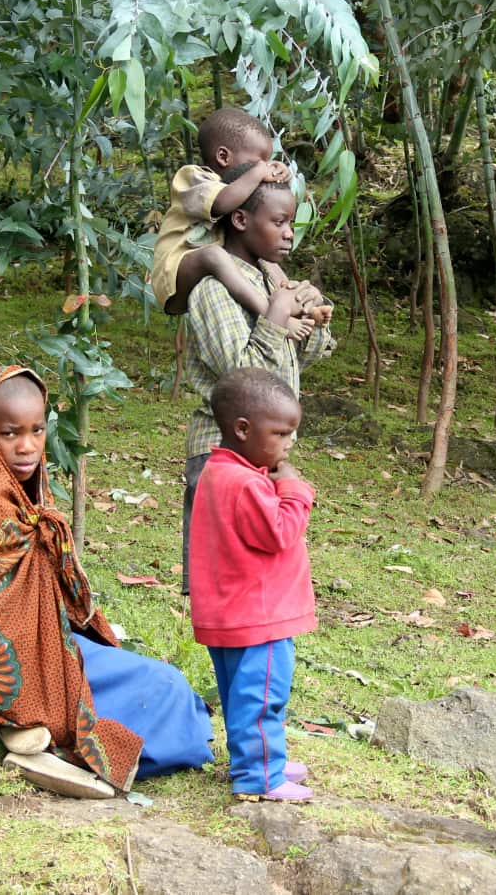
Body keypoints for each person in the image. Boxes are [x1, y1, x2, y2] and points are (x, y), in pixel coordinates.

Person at [0, 367, 214, 798]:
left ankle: (29, 729)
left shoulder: (10, 493)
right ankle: (31, 725)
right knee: (165, 688)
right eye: (10, 433)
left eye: (37, 430)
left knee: (159, 684)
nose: (27, 447)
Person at [180, 176, 334, 594]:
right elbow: (241, 379)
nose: (289, 234)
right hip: (224, 456)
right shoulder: (214, 291)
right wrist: (278, 314)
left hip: (265, 453)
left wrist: (313, 315)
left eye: (293, 224)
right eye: (280, 221)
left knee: (263, 587)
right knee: (225, 589)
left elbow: (297, 359)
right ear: (242, 219)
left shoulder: (272, 283)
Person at [189, 368, 317, 802]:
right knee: (263, 697)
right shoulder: (246, 484)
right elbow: (281, 532)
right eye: (281, 433)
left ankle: (258, 760)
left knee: (240, 696)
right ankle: (259, 776)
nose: (289, 444)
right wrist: (294, 489)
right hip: (258, 618)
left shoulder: (217, 471)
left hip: (229, 612)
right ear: (243, 429)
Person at [149, 106, 326, 330]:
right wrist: (260, 172)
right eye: (259, 160)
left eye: (268, 160)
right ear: (223, 157)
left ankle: (303, 306)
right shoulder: (193, 177)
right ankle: (274, 316)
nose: (264, 166)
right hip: (175, 273)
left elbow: (266, 201)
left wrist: (280, 176)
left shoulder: (242, 186)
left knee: (267, 262)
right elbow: (223, 202)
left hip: (213, 268)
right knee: (213, 255)